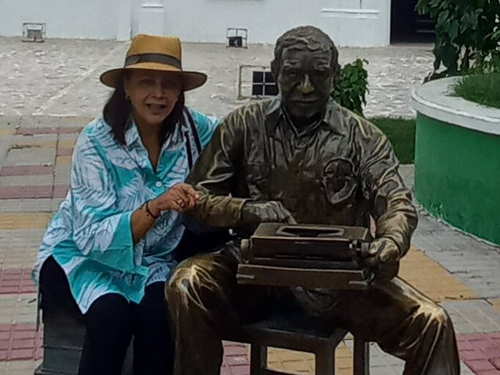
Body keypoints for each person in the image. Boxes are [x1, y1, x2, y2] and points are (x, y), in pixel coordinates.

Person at [167, 25, 460, 375]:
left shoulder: (363, 137)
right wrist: (247, 211)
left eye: (318, 75)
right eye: (293, 74)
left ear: (334, 77)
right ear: (276, 73)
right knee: (187, 284)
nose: (305, 87)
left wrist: (391, 240)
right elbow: (195, 201)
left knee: (431, 323)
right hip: (254, 272)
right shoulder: (243, 125)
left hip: (338, 279)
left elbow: (395, 199)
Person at [34, 34, 219, 375]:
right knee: (112, 319)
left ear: (180, 92)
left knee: (161, 315)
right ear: (126, 88)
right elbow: (91, 236)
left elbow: (241, 135)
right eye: (146, 82)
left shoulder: (195, 129)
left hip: (152, 262)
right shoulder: (95, 141)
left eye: (169, 84)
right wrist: (156, 206)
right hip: (84, 256)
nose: (158, 94)